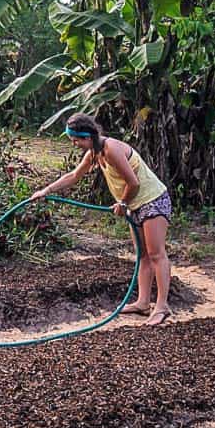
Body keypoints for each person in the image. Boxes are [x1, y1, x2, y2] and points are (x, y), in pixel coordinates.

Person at [29, 113, 173, 325]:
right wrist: (46, 190)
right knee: (142, 255)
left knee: (156, 254)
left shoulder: (111, 149)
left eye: (76, 139)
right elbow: (74, 176)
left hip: (152, 200)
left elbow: (133, 183)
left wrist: (122, 203)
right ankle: (143, 303)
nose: (75, 144)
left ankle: (162, 306)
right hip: (135, 205)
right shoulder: (94, 153)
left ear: (88, 136)